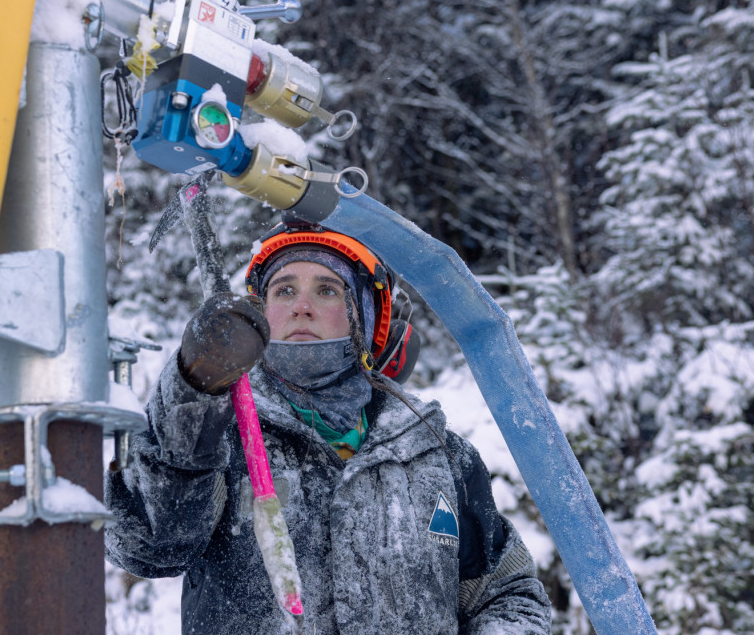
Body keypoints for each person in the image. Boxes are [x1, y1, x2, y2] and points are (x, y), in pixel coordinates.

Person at [105, 221, 552, 634]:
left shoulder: (438, 454)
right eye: (283, 290)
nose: (302, 306)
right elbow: (147, 547)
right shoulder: (221, 438)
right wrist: (191, 396)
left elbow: (508, 595)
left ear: (365, 317)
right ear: (260, 317)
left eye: (326, 290)